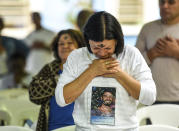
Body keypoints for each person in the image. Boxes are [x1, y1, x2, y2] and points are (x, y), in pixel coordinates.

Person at [55, 11, 156, 131]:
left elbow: (150, 97)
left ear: (117, 41)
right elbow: (61, 99)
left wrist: (119, 74)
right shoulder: (77, 57)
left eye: (108, 48)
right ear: (87, 41)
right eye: (96, 48)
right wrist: (91, 71)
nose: (102, 53)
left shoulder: (131, 54)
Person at [29, 29, 85, 131]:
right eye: (61, 44)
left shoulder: (89, 68)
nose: (65, 46)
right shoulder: (50, 68)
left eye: (70, 43)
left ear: (80, 47)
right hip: (52, 128)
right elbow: (33, 94)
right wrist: (62, 80)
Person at [135, 0, 179, 105]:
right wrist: (152, 53)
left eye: (171, 2)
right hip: (151, 97)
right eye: (162, 2)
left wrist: (175, 52)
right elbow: (134, 65)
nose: (165, 6)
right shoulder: (147, 29)